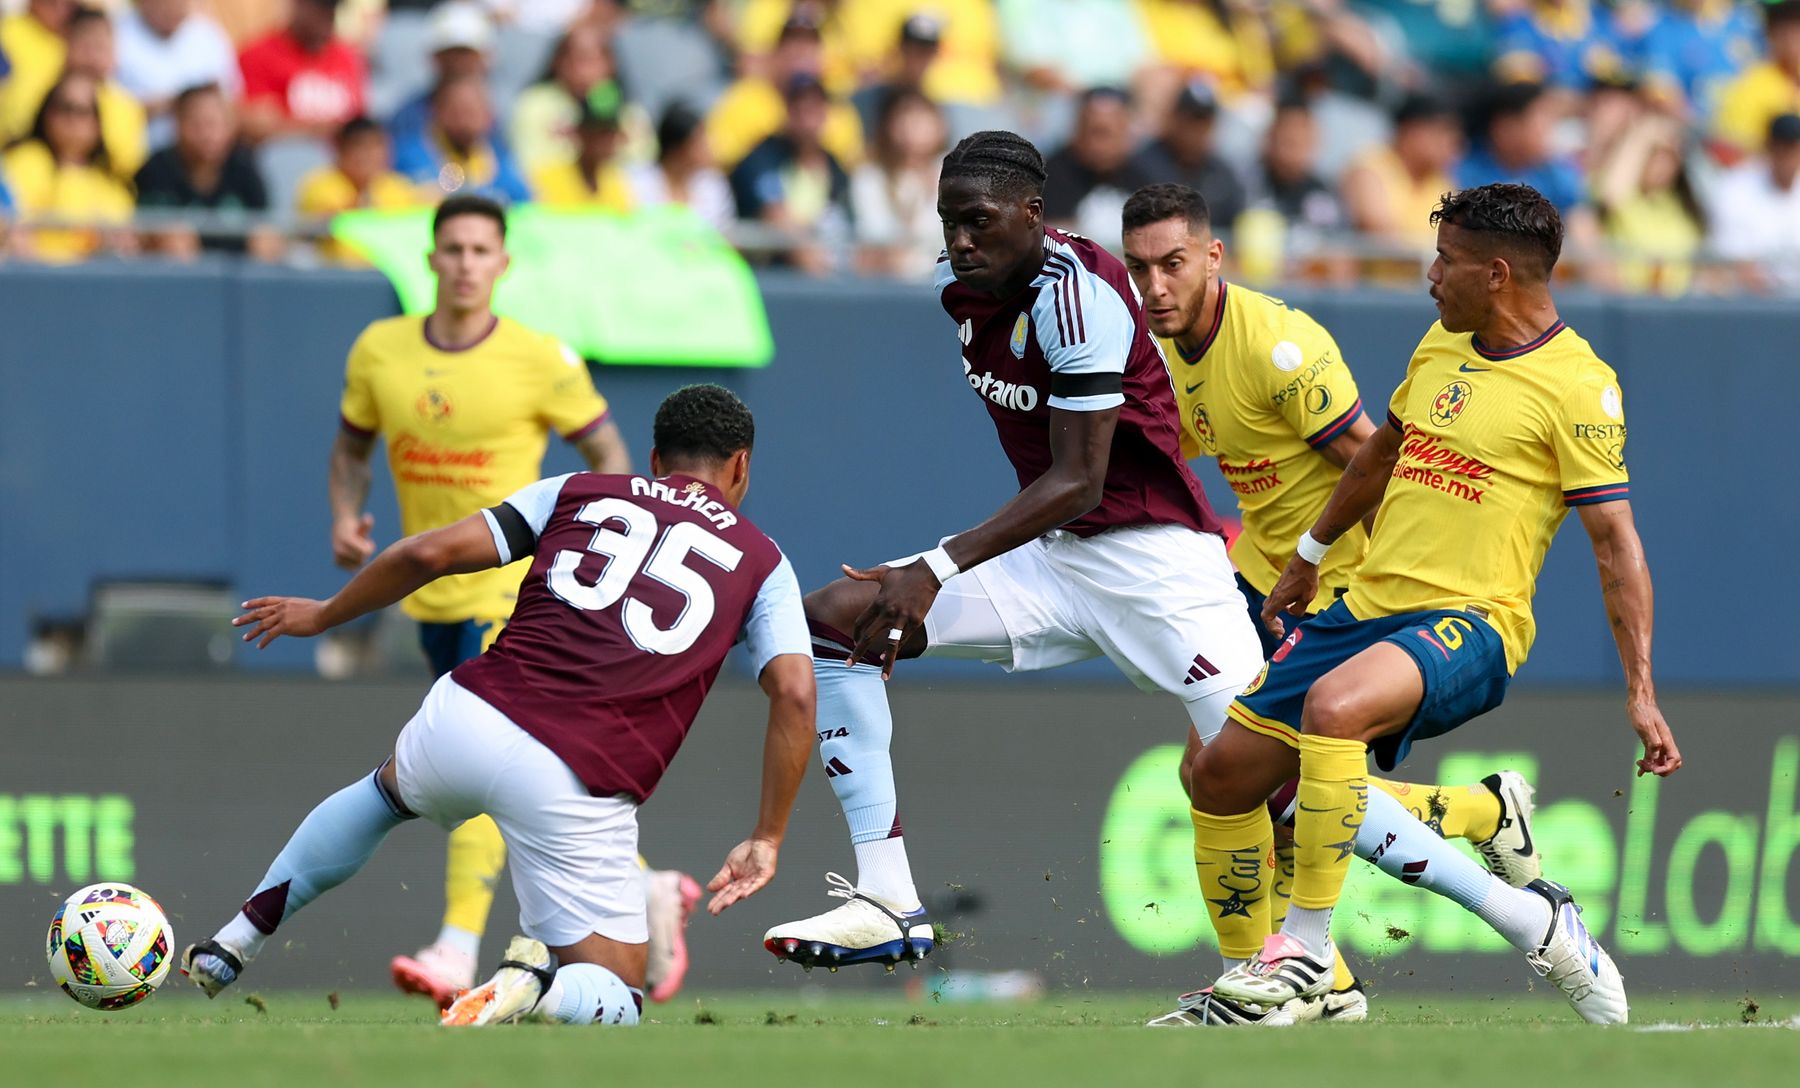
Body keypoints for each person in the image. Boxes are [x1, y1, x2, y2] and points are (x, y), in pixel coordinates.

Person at [757, 131, 1265, 987]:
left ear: (1033, 214)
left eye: (979, 221)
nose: (960, 240)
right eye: (949, 221)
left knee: (1277, 782)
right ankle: (887, 902)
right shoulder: (959, 286)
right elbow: (1062, 503)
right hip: (1057, 561)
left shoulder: (1083, 298)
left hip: (1157, 563)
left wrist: (935, 568)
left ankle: (1521, 906)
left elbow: (1078, 478)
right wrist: (925, 578)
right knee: (837, 623)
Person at [1184, 182, 1677, 1024]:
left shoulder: (1579, 386)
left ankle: (1300, 953)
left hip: (1472, 623)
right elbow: (1380, 453)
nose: (1429, 275)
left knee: (1335, 712)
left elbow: (1615, 546)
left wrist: (1639, 689)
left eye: (1445, 261)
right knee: (1219, 777)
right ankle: (1265, 986)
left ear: (1495, 274)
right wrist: (1307, 557)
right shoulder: (1441, 347)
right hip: (1361, 607)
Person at [181, 382, 816, 1030]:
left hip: (472, 713)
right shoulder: (765, 563)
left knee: (381, 797)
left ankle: (233, 942)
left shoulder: (576, 491)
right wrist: (767, 836)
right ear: (741, 465)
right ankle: (534, 989)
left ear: (654, 458)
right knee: (620, 994)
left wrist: (325, 614)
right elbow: (794, 692)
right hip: (578, 778)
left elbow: (429, 553)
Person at [1121, 183, 1552, 1026]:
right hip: (1255, 575)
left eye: (1171, 264)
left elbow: (1373, 459)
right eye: (1140, 269)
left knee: (1254, 779)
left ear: (1213, 257)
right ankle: (1330, 959)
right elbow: (1187, 451)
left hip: (1334, 584)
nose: (1154, 285)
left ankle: (1289, 977)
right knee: (1226, 777)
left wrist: (1377, 589)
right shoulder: (1177, 353)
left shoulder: (1278, 347)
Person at [318, 195, 689, 1010]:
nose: (464, 264)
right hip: (432, 594)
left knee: (488, 769)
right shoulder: (379, 350)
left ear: (503, 263)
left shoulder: (539, 356)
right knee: (518, 777)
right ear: (430, 261)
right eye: (451, 249)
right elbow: (351, 447)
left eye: (481, 250)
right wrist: (347, 516)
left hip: (511, 595)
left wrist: (616, 539)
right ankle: (646, 887)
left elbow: (607, 453)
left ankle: (455, 948)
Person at [1, 72, 136, 262]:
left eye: (82, 111)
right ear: (46, 113)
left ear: (98, 124)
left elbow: (122, 248)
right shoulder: (26, 161)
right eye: (63, 108)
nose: (71, 118)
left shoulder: (111, 187)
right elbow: (12, 231)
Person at [134, 82, 277, 258]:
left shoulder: (244, 166)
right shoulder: (156, 168)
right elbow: (146, 232)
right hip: (177, 274)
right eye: (198, 124)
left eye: (216, 124)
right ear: (177, 124)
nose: (208, 134)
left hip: (237, 265)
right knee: (175, 240)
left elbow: (263, 224)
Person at [728, 73, 854, 274]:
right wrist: (814, 265)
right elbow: (774, 214)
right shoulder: (762, 158)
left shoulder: (834, 167)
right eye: (800, 108)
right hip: (772, 273)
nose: (808, 119)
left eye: (814, 108)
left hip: (825, 272)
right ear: (787, 110)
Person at [707, 10, 862, 172]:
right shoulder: (747, 100)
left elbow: (851, 173)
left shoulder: (840, 112)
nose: (801, 52)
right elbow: (717, 159)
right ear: (775, 52)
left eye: (810, 44)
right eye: (792, 43)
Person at [1340, 93, 1462, 251]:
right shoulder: (1369, 168)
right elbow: (1379, 234)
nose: (1453, 143)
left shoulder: (1442, 180)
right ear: (1409, 130)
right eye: (1443, 132)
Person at [236, 0, 368, 142]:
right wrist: (320, 129)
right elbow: (256, 127)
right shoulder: (258, 55)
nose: (328, 16)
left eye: (332, 8)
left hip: (343, 159)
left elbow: (360, 122)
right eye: (320, 8)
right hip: (286, 155)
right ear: (298, 5)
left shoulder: (347, 56)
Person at [851, 88, 948, 279]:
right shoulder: (870, 176)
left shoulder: (954, 173)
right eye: (904, 117)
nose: (912, 126)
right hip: (888, 283)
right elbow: (875, 236)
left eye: (921, 117)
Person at [116, 0, 241, 148]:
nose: (171, 8)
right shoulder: (117, 34)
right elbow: (106, 109)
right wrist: (174, 103)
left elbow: (231, 99)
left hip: (205, 153)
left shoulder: (207, 33)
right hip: (139, 152)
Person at [1041, 86, 1156, 245]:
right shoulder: (1047, 178)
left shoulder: (1147, 180)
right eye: (1091, 131)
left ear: (1126, 132)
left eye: (1105, 133)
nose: (1097, 144)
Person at [393, 74, 531, 204]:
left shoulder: (499, 160)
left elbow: (523, 201)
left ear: (487, 116)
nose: (463, 122)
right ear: (436, 112)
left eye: (471, 113)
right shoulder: (408, 157)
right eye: (455, 112)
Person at [386, 1, 496, 155]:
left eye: (466, 53)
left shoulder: (496, 120)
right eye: (450, 52)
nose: (458, 62)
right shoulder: (407, 117)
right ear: (434, 57)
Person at [1708, 112, 1800, 292]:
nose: (1788, 156)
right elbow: (1729, 257)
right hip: (1748, 303)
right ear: (1769, 146)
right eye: (1782, 147)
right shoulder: (1735, 187)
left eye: (1794, 148)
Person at [1139, 80, 1245, 233]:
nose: (1197, 130)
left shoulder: (1222, 173)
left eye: (1204, 121)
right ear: (1173, 118)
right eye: (1191, 120)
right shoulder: (1144, 165)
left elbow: (1234, 229)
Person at [627, 101, 734, 232]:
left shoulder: (713, 186)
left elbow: (722, 234)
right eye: (699, 142)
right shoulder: (636, 183)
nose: (708, 148)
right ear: (678, 149)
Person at [1713, 0, 1800, 157]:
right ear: (1771, 36)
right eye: (1785, 31)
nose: (1792, 39)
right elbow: (1734, 147)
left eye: (1797, 29)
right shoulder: (1751, 83)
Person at [530, 95, 632, 211]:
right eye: (598, 134)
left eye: (611, 134)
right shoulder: (547, 179)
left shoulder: (615, 180)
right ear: (580, 134)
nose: (607, 142)